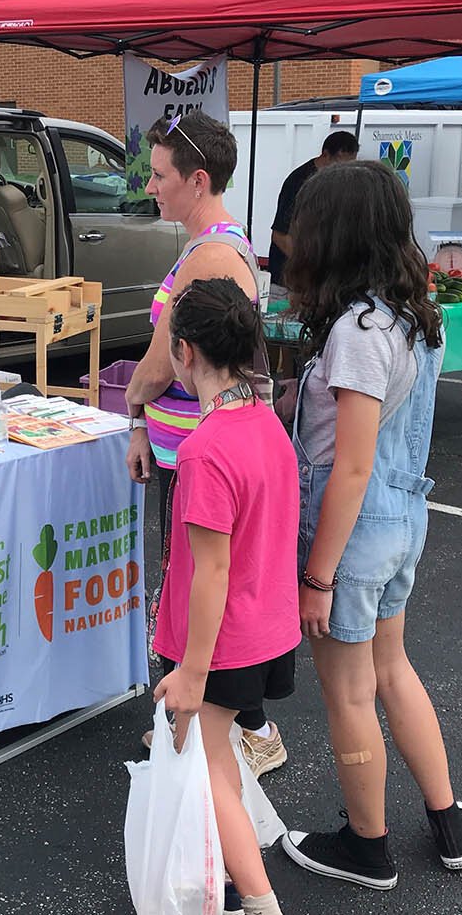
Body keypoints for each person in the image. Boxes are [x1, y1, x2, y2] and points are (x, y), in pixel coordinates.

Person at [277, 161, 462, 891]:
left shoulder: (359, 330)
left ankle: (368, 848)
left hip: (353, 535)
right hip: (403, 520)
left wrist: (315, 577)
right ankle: (449, 818)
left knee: (350, 693)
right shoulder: (410, 315)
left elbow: (350, 469)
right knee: (393, 671)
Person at [122, 110, 283, 777]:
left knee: (199, 584)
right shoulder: (215, 245)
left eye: (160, 176)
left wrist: (132, 403)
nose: (151, 187)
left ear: (197, 179)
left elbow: (161, 364)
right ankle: (240, 724)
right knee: (211, 580)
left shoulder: (209, 256)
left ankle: (211, 720)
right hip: (198, 448)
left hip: (199, 456)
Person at [152, 277, 300, 915]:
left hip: (220, 645)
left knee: (213, 774)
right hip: (267, 629)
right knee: (225, 765)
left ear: (184, 352)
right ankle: (236, 876)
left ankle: (261, 900)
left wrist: (191, 671)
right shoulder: (268, 422)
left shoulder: (205, 450)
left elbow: (209, 573)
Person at [269, 130, 358, 283]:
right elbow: (280, 236)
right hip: (289, 276)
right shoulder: (299, 182)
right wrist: (311, 270)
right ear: (325, 154)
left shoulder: (338, 183)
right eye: (340, 165)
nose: (345, 172)